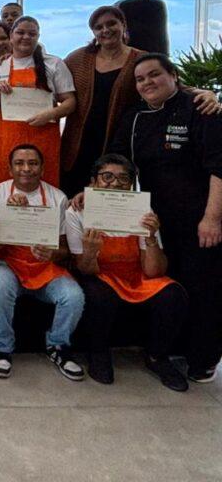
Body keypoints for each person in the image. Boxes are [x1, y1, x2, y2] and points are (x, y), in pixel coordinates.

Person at [109, 53, 222, 383]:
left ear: (174, 76)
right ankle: (171, 349)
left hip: (202, 219)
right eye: (140, 79)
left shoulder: (201, 109)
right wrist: (95, 193)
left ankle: (203, 358)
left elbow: (219, 167)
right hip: (157, 219)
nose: (146, 82)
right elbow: (117, 161)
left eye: (154, 75)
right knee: (172, 283)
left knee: (206, 288)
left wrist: (212, 218)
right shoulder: (134, 118)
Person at [61, 5, 219, 197]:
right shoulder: (77, 59)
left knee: (108, 202)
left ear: (123, 25)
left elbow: (170, 83)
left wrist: (203, 93)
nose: (105, 30)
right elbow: (57, 87)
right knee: (72, 200)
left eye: (111, 23)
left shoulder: (140, 58)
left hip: (119, 142)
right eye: (98, 26)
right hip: (77, 146)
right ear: (93, 31)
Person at [66, 153, 188, 391]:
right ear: (93, 182)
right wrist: (90, 251)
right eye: (107, 177)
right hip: (100, 273)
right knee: (98, 295)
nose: (115, 183)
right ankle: (98, 353)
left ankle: (157, 357)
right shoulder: (77, 212)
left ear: (132, 184)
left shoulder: (143, 211)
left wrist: (151, 238)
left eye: (124, 178)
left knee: (173, 294)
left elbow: (153, 271)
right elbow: (84, 268)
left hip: (137, 275)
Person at [0, 144, 84, 380]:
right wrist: (12, 213)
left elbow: (65, 250)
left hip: (45, 267)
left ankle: (58, 345)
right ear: (9, 169)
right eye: (19, 163)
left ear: (42, 168)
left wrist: (51, 254)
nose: (26, 169)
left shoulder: (57, 197)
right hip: (9, 262)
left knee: (73, 296)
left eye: (33, 163)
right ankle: (2, 348)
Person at [0, 16, 76, 187]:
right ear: (11, 36)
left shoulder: (54, 64)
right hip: (7, 138)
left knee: (45, 186)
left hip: (44, 137)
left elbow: (70, 102)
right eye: (20, 32)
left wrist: (51, 113)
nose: (26, 37)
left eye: (32, 34)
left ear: (38, 37)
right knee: (6, 187)